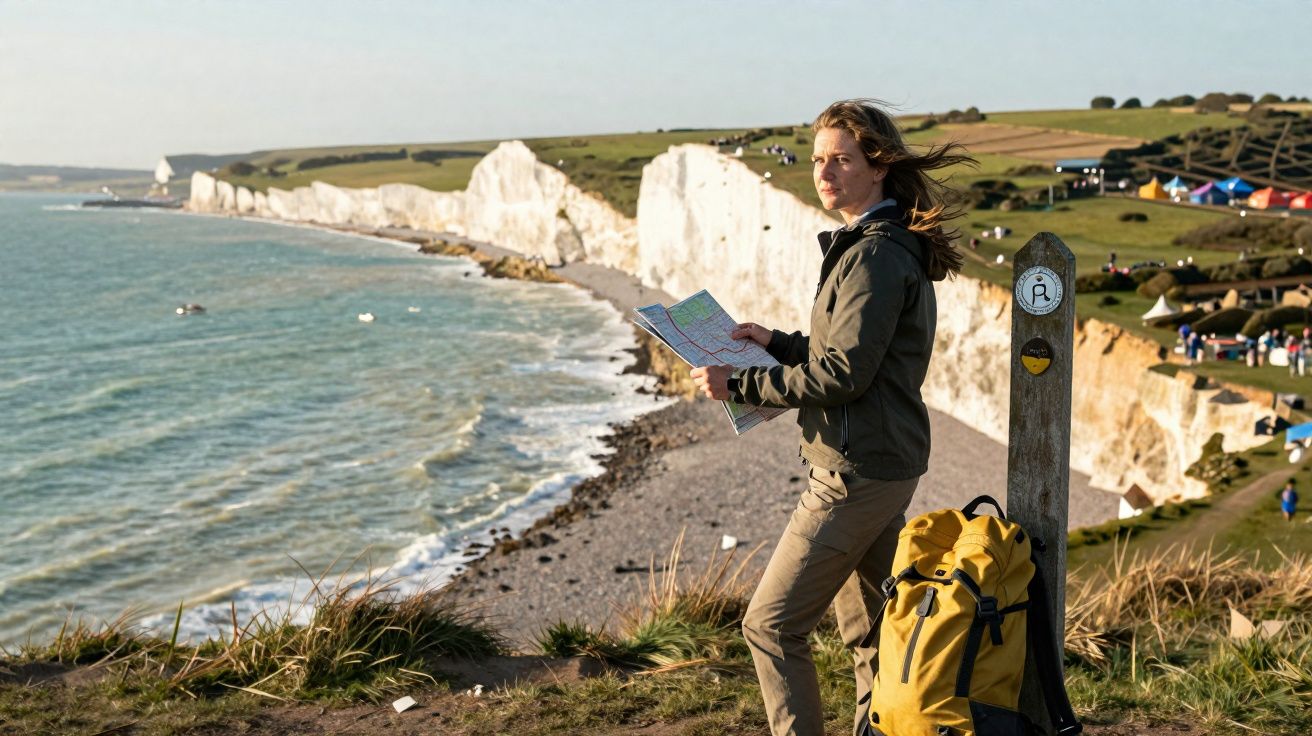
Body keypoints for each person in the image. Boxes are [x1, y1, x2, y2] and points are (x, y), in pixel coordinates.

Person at [689, 98, 972, 736]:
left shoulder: (874, 254)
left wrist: (742, 381)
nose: (824, 172)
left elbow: (844, 374)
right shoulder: (878, 245)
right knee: (873, 630)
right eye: (818, 160)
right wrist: (777, 344)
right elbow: (849, 354)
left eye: (840, 159)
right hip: (881, 461)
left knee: (770, 624)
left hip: (854, 472)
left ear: (878, 166)